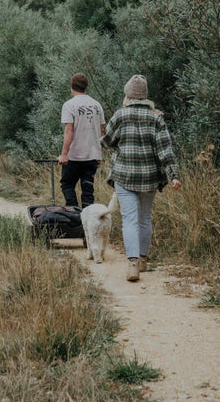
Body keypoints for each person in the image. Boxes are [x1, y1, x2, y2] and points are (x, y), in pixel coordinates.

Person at [101, 74, 182, 282]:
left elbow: (107, 141)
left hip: (124, 175)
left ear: (128, 95)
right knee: (145, 218)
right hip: (149, 177)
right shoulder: (156, 118)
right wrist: (173, 175)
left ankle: (132, 264)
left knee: (130, 219)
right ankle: (143, 260)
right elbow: (166, 150)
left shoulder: (121, 115)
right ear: (145, 96)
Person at [58, 72, 106, 208]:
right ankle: (87, 219)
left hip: (74, 156)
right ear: (86, 87)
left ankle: (74, 214)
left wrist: (64, 154)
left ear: (71, 86)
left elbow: (69, 130)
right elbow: (102, 131)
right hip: (92, 155)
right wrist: (99, 152)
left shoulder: (69, 105)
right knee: (87, 190)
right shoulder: (97, 105)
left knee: (67, 184)